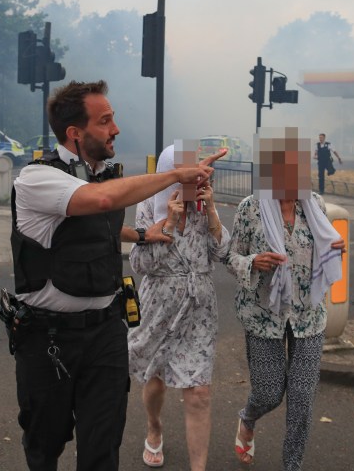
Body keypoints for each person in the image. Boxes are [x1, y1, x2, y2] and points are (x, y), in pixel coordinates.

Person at [8, 80, 223, 471]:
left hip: (106, 332)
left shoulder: (106, 175)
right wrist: (176, 175)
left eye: (114, 119)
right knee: (46, 444)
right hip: (49, 337)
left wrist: (142, 234)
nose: (116, 129)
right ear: (75, 133)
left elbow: (100, 222)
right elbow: (102, 201)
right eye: (105, 121)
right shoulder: (35, 179)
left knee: (102, 448)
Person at [226, 127, 345, 470]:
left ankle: (292, 464)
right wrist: (253, 262)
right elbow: (231, 258)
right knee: (268, 393)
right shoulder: (251, 209)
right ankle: (248, 418)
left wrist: (336, 250)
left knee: (302, 401)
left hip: (309, 316)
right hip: (263, 314)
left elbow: (327, 247)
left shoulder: (315, 205)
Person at [127, 142, 230, 470]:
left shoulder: (202, 202)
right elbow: (140, 264)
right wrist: (168, 223)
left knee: (198, 392)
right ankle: (154, 426)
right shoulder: (147, 205)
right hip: (160, 307)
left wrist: (212, 211)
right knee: (155, 382)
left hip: (198, 309)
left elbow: (222, 253)